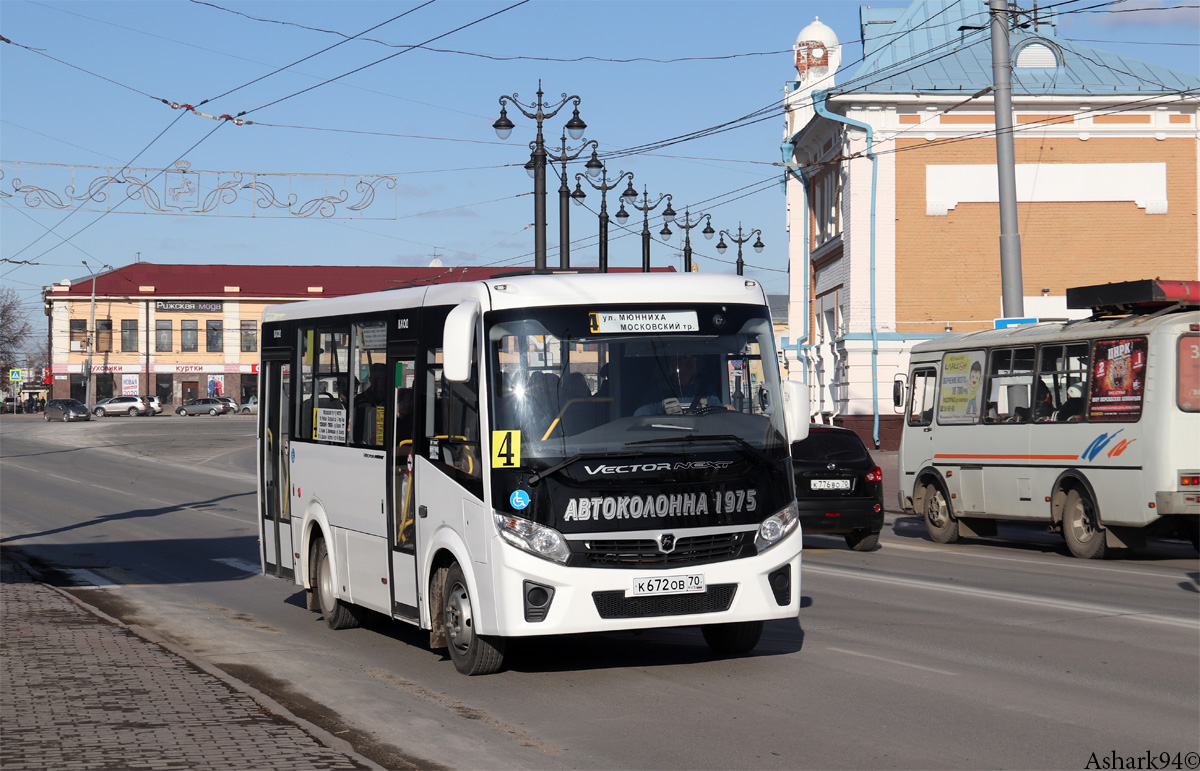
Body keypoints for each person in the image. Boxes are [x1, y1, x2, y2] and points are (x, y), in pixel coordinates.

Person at [635, 352, 726, 416]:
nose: (690, 361)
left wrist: (726, 410)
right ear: (673, 364)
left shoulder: (706, 389)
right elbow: (641, 417)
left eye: (692, 357)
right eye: (685, 358)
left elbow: (718, 416)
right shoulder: (659, 390)